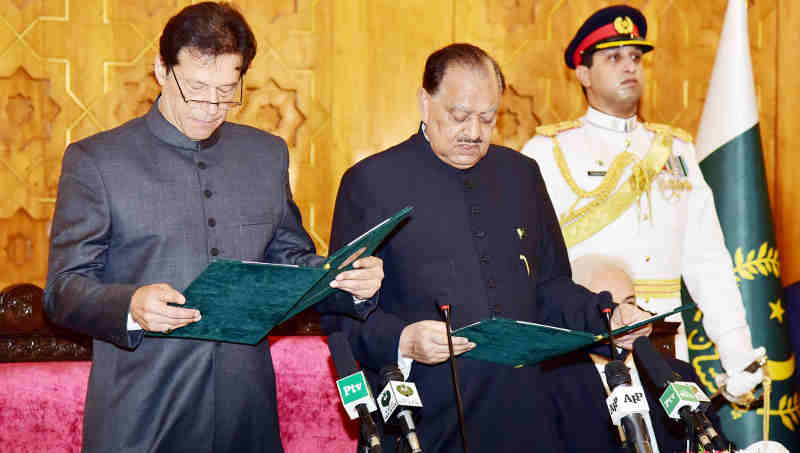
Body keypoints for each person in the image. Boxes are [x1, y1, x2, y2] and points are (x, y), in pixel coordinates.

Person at [43, 3, 384, 452]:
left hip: (247, 412)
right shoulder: (97, 162)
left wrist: (347, 281)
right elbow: (62, 291)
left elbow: (291, 262)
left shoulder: (266, 155)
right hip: (142, 414)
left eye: (227, 91)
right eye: (197, 89)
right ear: (162, 70)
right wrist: (130, 304)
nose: (211, 107)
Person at [323, 43, 651, 453]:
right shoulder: (370, 182)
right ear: (426, 102)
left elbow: (550, 288)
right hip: (427, 414)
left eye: (487, 118)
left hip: (525, 411)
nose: (474, 132)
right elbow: (343, 316)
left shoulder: (521, 175)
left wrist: (608, 315)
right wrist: (402, 339)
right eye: (459, 117)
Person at [520, 4, 763, 398]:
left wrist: (736, 352)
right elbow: (530, 263)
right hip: (588, 344)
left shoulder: (677, 151)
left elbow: (708, 261)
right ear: (583, 73)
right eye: (613, 57)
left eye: (635, 57)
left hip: (666, 344)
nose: (629, 66)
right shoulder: (547, 150)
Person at [545, 255, 726, 452]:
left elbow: (718, 443)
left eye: (629, 303)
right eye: (610, 308)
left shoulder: (678, 373)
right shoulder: (554, 387)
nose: (624, 316)